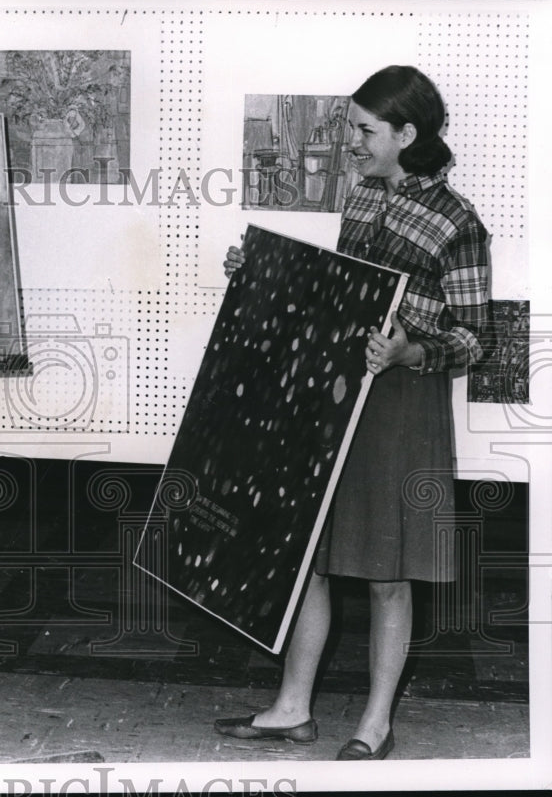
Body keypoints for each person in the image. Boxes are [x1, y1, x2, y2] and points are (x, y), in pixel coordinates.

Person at [215, 65, 491, 760]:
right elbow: (339, 295)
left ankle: (373, 725)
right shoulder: (363, 197)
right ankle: (292, 709)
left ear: (407, 133)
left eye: (364, 131)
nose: (352, 143)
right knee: (308, 556)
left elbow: (475, 337)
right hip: (338, 391)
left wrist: (408, 353)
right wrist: (259, 275)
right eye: (351, 128)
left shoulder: (459, 223)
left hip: (402, 402)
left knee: (388, 572)